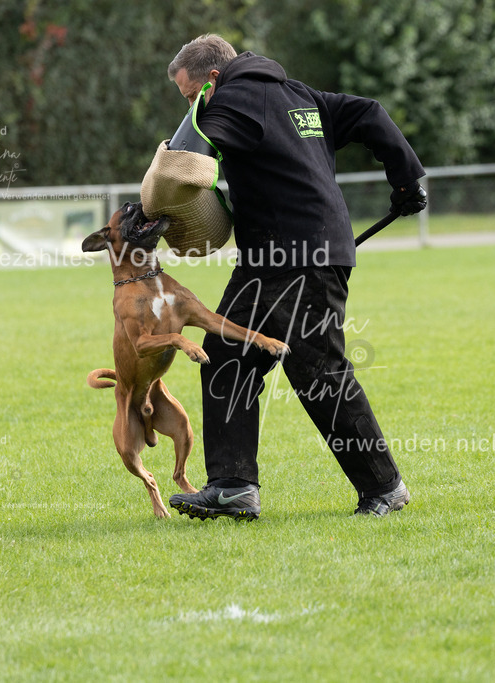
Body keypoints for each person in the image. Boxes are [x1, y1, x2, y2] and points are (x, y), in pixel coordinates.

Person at [165, 34, 427, 519]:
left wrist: (147, 206)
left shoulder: (234, 98)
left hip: (302, 256)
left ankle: (385, 488)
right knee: (226, 353)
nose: (191, 106)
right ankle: (232, 485)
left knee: (317, 370)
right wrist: (406, 178)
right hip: (271, 259)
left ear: (213, 79)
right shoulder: (300, 96)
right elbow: (369, 113)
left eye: (189, 95)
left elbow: (180, 164)